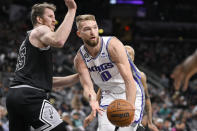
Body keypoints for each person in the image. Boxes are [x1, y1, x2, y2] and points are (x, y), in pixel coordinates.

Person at [6, 0, 78, 131]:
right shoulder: (40, 30)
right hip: (29, 96)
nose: (54, 21)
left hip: (15, 95)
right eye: (50, 16)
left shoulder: (29, 42)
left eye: (54, 17)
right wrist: (72, 10)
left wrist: (79, 76)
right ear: (39, 19)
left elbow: (47, 82)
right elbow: (59, 40)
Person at [74, 14, 145, 131]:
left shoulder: (112, 45)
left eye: (95, 27)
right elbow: (88, 88)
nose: (92, 32)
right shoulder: (80, 59)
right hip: (108, 94)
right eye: (87, 29)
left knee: (125, 128)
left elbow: (129, 81)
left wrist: (130, 108)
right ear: (79, 33)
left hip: (130, 91)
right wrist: (93, 103)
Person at [83, 45, 159, 131]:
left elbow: (147, 98)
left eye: (129, 54)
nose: (127, 55)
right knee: (105, 128)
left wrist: (150, 122)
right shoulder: (110, 72)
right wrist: (92, 113)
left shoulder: (140, 76)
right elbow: (100, 92)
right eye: (124, 53)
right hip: (111, 101)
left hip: (131, 105)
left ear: (133, 58)